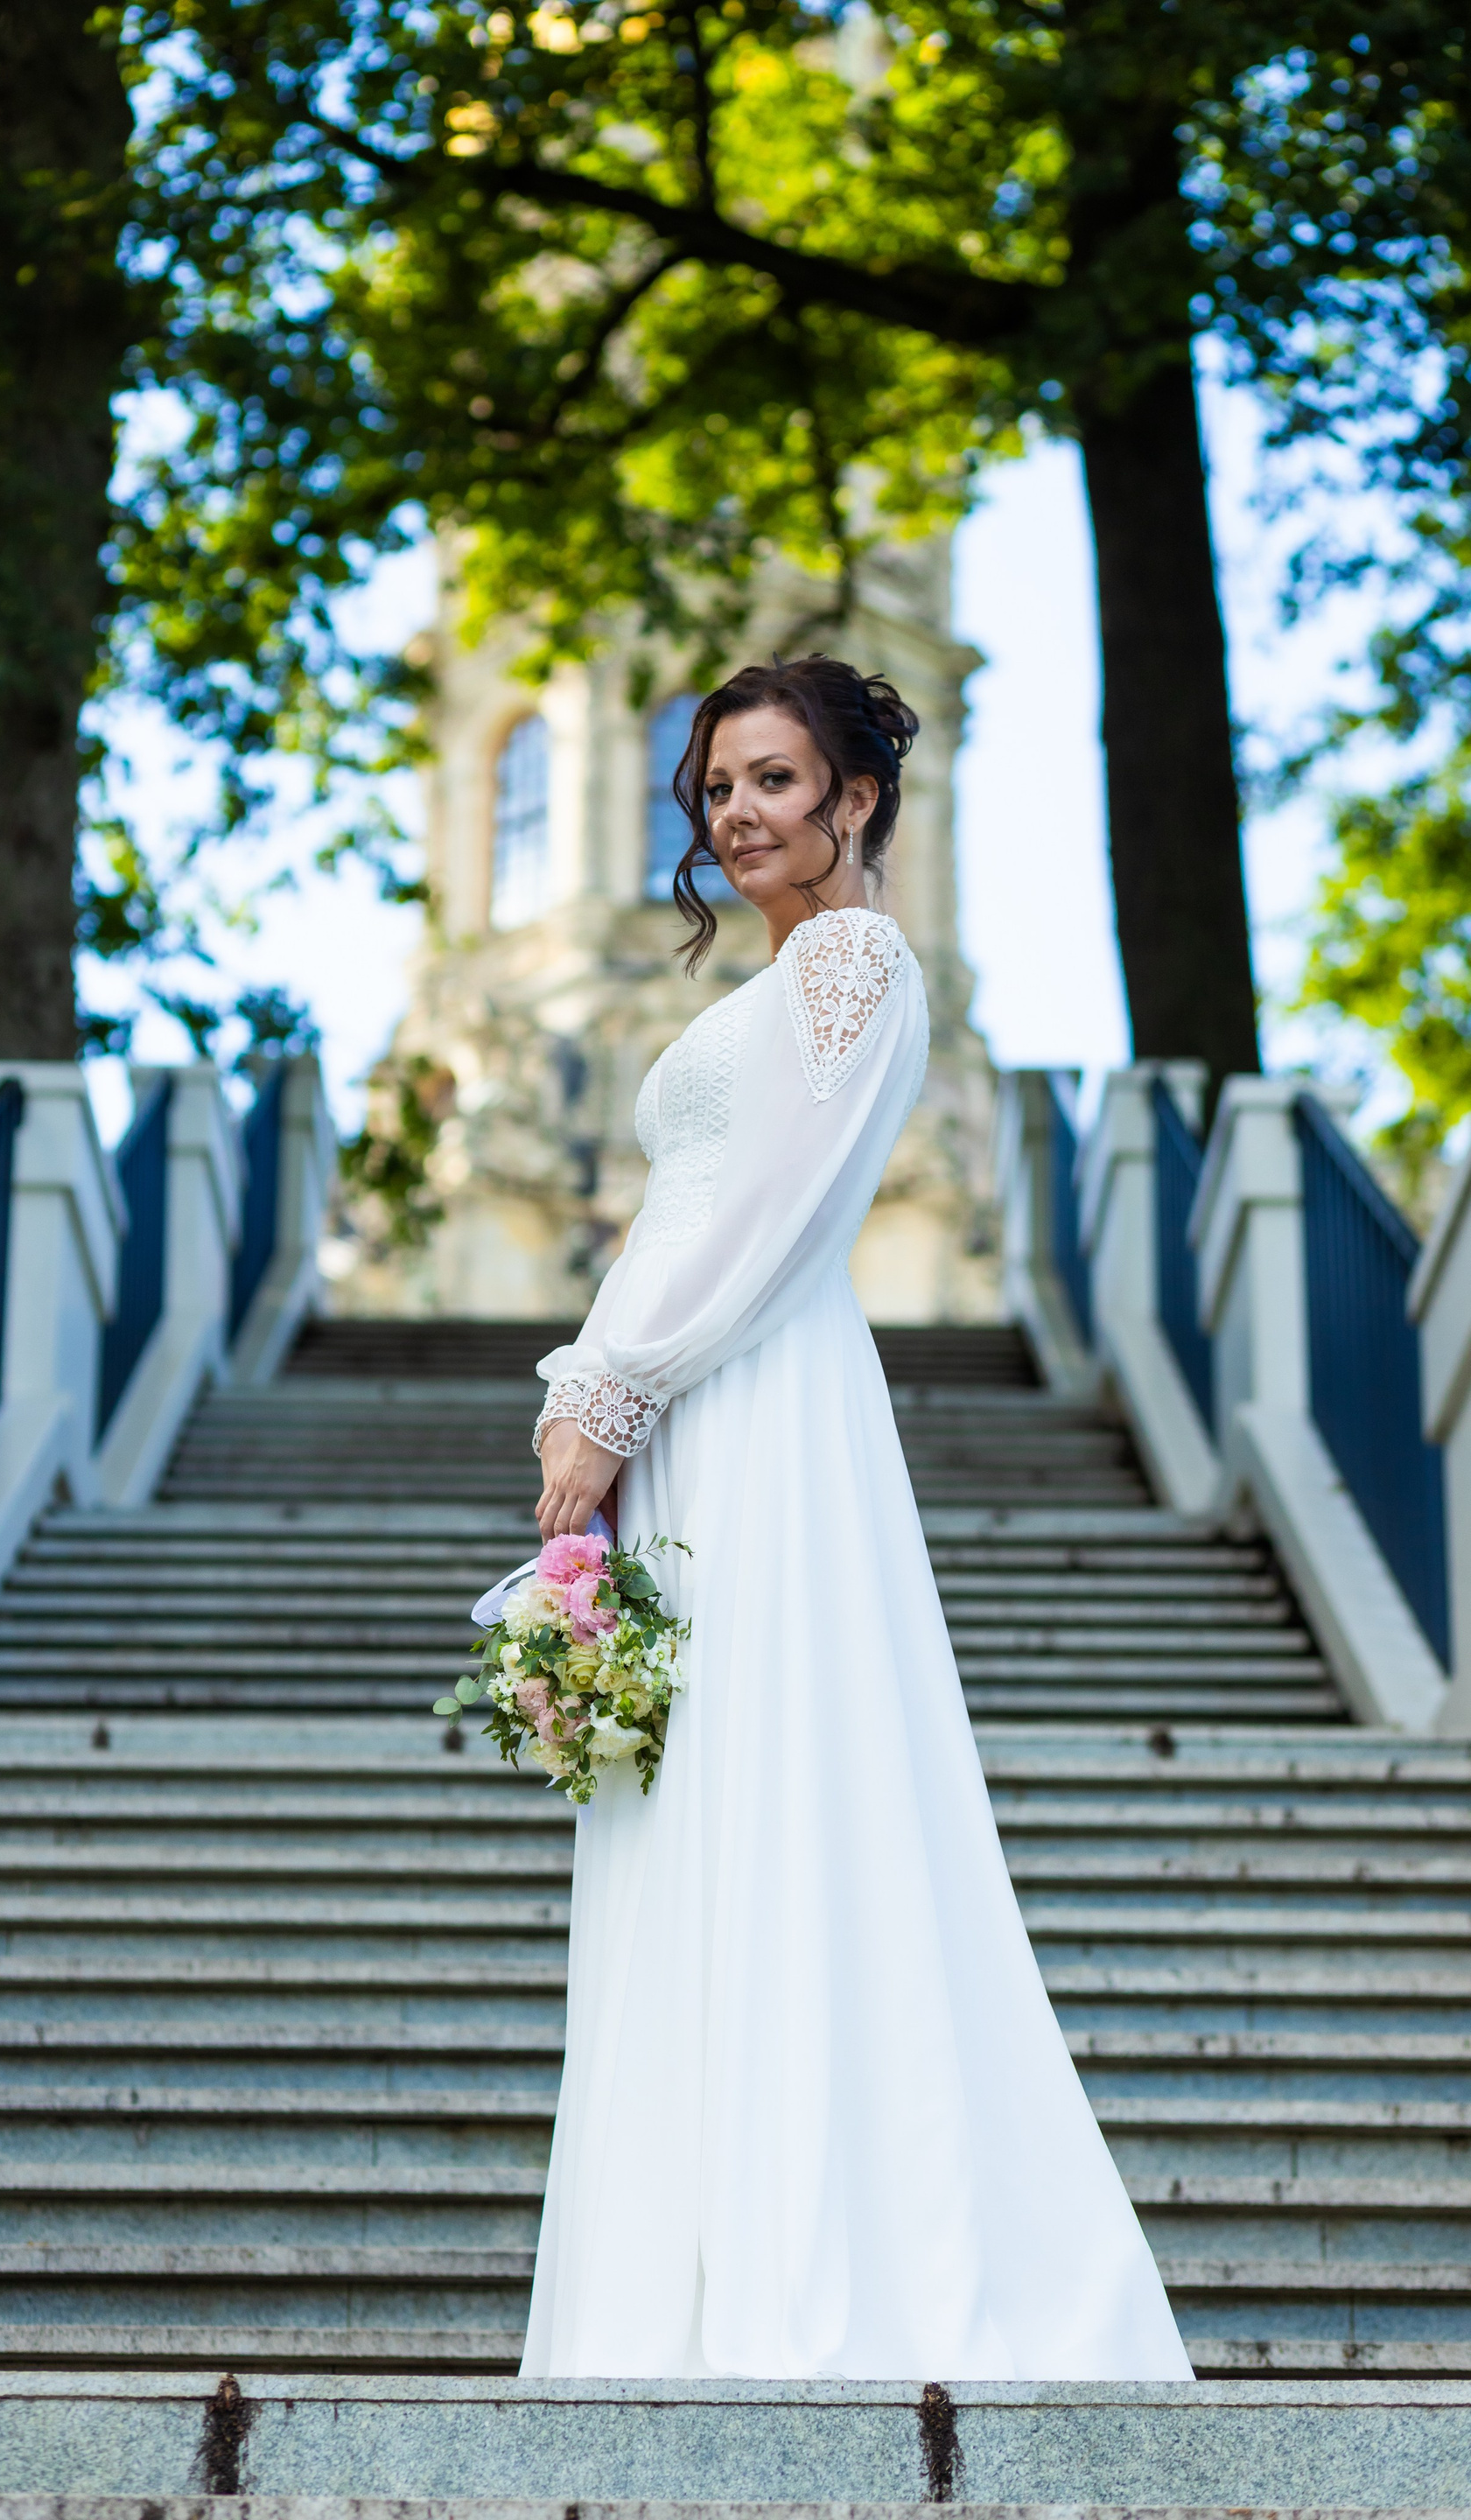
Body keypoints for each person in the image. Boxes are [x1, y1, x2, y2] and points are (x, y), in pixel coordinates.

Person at [522, 654, 1193, 2384]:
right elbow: (685, 1213)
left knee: (777, 1794)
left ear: (858, 798)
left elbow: (768, 1212)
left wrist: (615, 1389)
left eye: (774, 780)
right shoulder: (779, 975)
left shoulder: (853, 959)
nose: (738, 813)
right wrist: (590, 1396)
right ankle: (680, 2288)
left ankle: (795, 2278)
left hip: (755, 1408)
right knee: (685, 1814)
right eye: (717, 787)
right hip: (683, 1405)